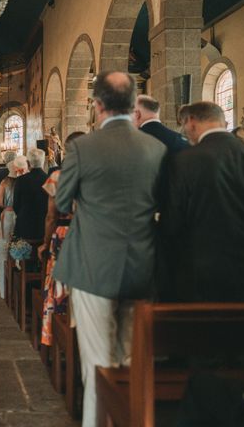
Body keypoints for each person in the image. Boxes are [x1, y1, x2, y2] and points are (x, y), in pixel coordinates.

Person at [53, 71, 166, 427]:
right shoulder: (158, 149)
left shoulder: (82, 148)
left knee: (98, 367)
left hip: (91, 267)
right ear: (134, 106)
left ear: (96, 105)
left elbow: (62, 200)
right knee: (131, 363)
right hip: (143, 267)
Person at [158, 101, 244, 302]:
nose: (185, 132)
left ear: (191, 122)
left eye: (184, 125)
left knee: (203, 331)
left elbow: (173, 221)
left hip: (201, 269)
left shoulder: (185, 160)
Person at [36, 132, 85, 347]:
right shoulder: (98, 175)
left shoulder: (57, 176)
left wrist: (46, 243)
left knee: (60, 283)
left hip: (64, 234)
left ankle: (57, 334)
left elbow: (50, 216)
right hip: (90, 233)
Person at [0, 156, 28, 298]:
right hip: (20, 216)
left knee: (4, 248)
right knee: (18, 244)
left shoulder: (4, 182)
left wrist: (7, 207)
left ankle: (4, 290)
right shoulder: (22, 182)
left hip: (7, 215)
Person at [13, 148, 48, 240]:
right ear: (43, 162)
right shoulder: (49, 179)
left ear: (28, 163)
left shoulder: (21, 180)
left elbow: (16, 205)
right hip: (44, 225)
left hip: (25, 225)